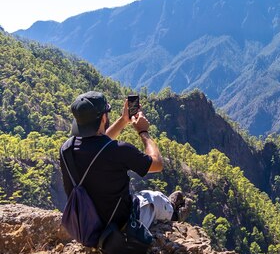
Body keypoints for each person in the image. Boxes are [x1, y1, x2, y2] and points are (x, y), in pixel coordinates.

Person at [60, 91, 191, 235]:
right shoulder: (119, 151)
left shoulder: (67, 149)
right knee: (153, 198)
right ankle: (173, 213)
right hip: (117, 227)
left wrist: (123, 120)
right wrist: (143, 132)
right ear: (104, 117)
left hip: (84, 226)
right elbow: (157, 164)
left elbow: (99, 145)